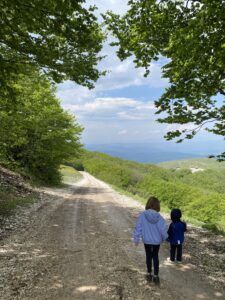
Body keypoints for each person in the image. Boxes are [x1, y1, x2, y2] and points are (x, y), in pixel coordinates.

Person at [133, 196, 168, 285]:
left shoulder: (143, 215)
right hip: (156, 241)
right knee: (155, 256)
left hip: (147, 240)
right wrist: (165, 238)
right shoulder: (160, 217)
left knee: (148, 256)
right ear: (157, 206)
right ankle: (156, 276)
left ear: (148, 204)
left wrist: (136, 239)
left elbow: (138, 227)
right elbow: (163, 229)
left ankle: (149, 273)